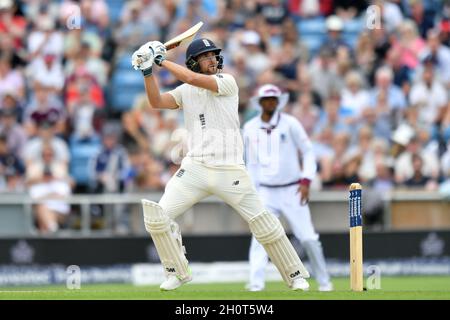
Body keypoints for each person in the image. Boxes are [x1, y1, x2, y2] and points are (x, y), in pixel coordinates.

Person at [131, 38, 310, 291]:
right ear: (194, 62)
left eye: (214, 55)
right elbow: (156, 102)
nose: (212, 59)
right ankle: (176, 272)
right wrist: (148, 71)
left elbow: (193, 80)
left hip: (230, 169)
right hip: (195, 167)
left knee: (262, 222)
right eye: (205, 56)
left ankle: (295, 276)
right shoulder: (185, 90)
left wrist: (160, 60)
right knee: (157, 217)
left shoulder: (227, 82)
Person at [243, 84, 333, 292]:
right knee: (260, 237)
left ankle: (324, 282)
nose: (270, 103)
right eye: (266, 100)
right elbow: (251, 164)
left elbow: (308, 152)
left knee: (308, 237)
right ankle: (256, 283)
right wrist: (252, 193)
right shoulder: (249, 128)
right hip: (265, 190)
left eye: (274, 99)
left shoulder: (291, 124)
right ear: (260, 103)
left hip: (292, 189)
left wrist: (306, 181)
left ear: (278, 102)